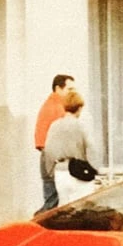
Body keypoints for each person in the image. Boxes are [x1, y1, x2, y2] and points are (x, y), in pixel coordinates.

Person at [43, 91, 101, 205]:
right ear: (79, 108)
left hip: (60, 172)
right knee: (83, 208)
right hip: (78, 171)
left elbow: (48, 150)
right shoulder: (81, 126)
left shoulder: (54, 126)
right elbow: (91, 148)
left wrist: (51, 171)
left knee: (64, 208)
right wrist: (95, 169)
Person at [34, 74, 76, 214]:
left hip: (47, 154)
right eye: (69, 89)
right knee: (53, 202)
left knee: (51, 197)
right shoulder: (59, 107)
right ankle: (38, 224)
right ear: (58, 88)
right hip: (55, 156)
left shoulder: (49, 104)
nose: (72, 93)